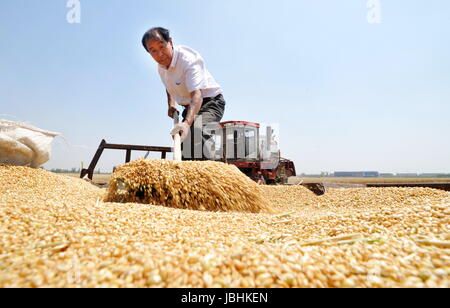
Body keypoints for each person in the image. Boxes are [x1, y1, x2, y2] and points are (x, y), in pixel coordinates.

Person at [142, 27, 226, 160]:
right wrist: (171, 104)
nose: (159, 54)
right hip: (190, 107)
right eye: (153, 51)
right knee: (183, 143)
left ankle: (210, 176)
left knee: (198, 132)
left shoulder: (188, 60)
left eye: (162, 47)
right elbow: (169, 85)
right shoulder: (161, 67)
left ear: (170, 42)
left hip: (210, 102)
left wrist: (187, 122)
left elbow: (197, 95)